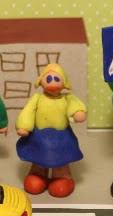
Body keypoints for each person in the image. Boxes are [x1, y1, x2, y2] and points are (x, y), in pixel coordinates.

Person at [15, 64, 86, 198]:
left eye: (56, 79)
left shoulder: (67, 98)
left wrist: (78, 112)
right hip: (39, 137)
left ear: (64, 82)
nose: (52, 82)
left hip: (62, 137)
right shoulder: (37, 98)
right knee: (38, 157)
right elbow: (28, 111)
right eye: (48, 79)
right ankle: (37, 173)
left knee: (61, 159)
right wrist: (24, 126)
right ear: (41, 81)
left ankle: (62, 176)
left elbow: (75, 106)